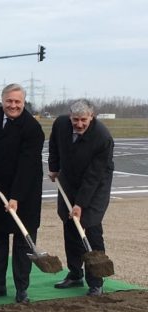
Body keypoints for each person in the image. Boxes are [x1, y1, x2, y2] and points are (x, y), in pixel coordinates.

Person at [0, 83, 44, 304]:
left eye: (18, 102)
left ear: (23, 103)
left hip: (25, 192)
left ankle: (21, 289)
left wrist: (16, 197)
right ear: (2, 100)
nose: (13, 105)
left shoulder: (33, 129)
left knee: (23, 244)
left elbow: (28, 167)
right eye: (9, 101)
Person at [48, 99, 114, 296]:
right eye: (75, 119)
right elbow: (54, 144)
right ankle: (75, 273)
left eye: (83, 120)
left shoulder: (102, 137)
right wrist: (54, 167)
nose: (79, 124)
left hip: (96, 184)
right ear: (70, 116)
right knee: (70, 224)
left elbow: (94, 176)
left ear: (91, 116)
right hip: (69, 177)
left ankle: (96, 279)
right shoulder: (60, 124)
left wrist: (80, 204)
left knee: (90, 226)